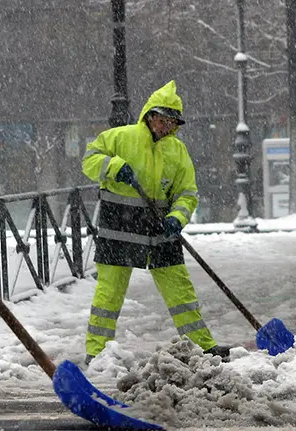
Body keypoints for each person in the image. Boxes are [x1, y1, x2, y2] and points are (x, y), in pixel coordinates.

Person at [81, 80, 229, 365]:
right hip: (119, 227)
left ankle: (202, 346)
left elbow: (187, 193)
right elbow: (89, 160)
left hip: (160, 229)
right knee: (109, 294)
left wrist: (177, 217)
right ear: (149, 116)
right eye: (161, 120)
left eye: (171, 123)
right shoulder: (120, 137)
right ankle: (96, 352)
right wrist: (113, 167)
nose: (164, 127)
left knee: (180, 291)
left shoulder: (177, 151)